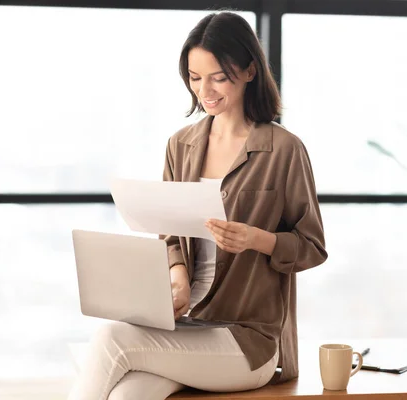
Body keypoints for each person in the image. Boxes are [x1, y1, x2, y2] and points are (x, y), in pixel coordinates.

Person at [68, 11, 327, 400]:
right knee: (128, 395)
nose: (204, 90)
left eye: (218, 77)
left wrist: (258, 239)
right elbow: (171, 235)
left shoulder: (284, 149)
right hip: (188, 325)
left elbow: (312, 247)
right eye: (194, 77)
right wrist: (177, 277)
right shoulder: (181, 144)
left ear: (250, 71)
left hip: (248, 341)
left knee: (111, 339)